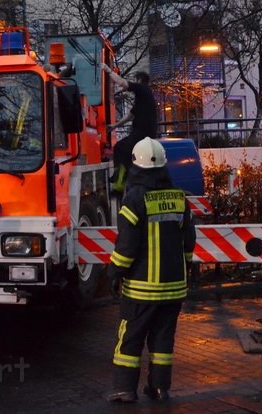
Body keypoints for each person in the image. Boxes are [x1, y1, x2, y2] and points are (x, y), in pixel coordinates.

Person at [106, 137, 196, 404]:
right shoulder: (180, 197)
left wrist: (114, 273)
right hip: (174, 287)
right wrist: (186, 267)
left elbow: (126, 246)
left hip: (141, 289)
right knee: (163, 340)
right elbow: (188, 241)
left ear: (136, 165)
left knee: (130, 339)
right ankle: (159, 388)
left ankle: (124, 389)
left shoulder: (134, 199)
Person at [100, 62, 158, 192]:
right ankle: (118, 177)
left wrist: (109, 71)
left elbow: (122, 83)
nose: (133, 82)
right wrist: (114, 126)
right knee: (121, 149)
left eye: (135, 80)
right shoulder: (143, 97)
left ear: (139, 80)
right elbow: (130, 116)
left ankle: (119, 181)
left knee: (123, 149)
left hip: (143, 132)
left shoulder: (142, 89)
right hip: (142, 132)